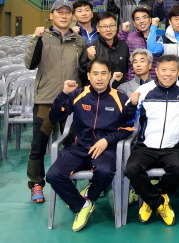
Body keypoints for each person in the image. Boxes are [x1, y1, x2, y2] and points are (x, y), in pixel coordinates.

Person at [46, 58, 133, 231]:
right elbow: (55, 116)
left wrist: (107, 140)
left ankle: (89, 194)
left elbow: (128, 128)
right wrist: (63, 94)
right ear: (88, 76)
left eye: (103, 73)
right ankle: (82, 206)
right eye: (95, 73)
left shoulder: (120, 97)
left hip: (105, 149)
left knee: (105, 171)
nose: (99, 78)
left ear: (110, 75)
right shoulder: (78, 94)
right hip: (78, 148)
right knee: (53, 175)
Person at [24, 0, 86, 203]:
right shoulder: (42, 37)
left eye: (67, 12)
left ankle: (67, 181)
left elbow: (84, 70)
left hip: (71, 101)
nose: (63, 16)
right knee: (38, 145)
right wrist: (35, 38)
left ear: (72, 16)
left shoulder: (79, 41)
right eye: (59, 12)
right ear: (51, 15)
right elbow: (29, 64)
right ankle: (36, 184)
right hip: (46, 99)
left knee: (72, 144)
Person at [123, 55, 179, 226]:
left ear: (178, 72)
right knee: (132, 169)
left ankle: (151, 199)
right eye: (164, 70)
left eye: (172, 70)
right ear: (156, 71)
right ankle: (158, 203)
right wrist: (132, 104)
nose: (168, 74)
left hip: (172, 147)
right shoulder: (144, 90)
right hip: (145, 147)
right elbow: (126, 118)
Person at [79, 12, 129, 88]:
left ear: (116, 26)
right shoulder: (92, 47)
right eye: (104, 26)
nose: (108, 29)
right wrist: (89, 59)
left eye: (112, 26)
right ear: (98, 28)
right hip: (97, 91)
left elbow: (126, 70)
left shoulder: (123, 46)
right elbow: (82, 74)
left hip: (120, 90)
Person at [117, 7, 162, 80]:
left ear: (150, 20)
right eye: (137, 19)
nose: (141, 21)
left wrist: (154, 27)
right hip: (132, 80)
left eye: (144, 17)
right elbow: (117, 48)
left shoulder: (158, 38)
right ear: (134, 23)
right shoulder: (128, 37)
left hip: (153, 81)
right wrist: (123, 32)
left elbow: (153, 51)